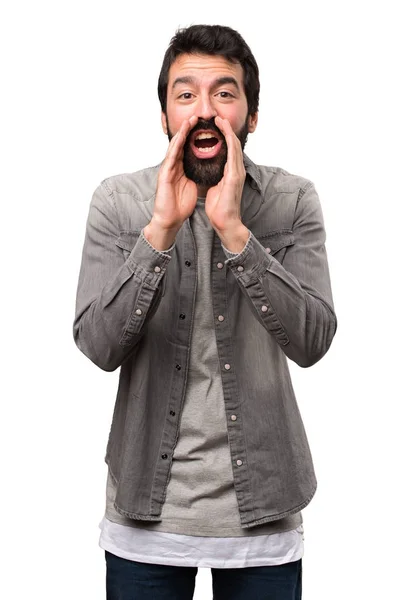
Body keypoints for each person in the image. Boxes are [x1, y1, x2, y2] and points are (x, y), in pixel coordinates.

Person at [73, 23, 337, 600]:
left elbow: (314, 340)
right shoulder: (118, 202)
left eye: (224, 92)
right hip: (145, 515)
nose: (204, 110)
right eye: (185, 94)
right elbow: (97, 346)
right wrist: (160, 231)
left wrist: (236, 233)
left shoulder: (293, 201)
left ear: (251, 115)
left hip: (264, 512)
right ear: (165, 116)